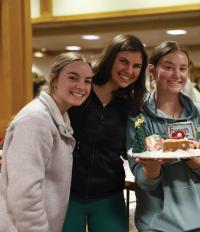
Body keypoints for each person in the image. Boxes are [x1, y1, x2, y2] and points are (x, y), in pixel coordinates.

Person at [127, 41, 200, 232]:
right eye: (168, 67)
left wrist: (190, 156)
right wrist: (151, 169)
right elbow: (143, 182)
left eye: (183, 68)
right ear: (152, 71)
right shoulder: (138, 118)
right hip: (158, 225)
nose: (177, 75)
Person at [62, 34, 148, 232]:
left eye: (136, 66)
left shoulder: (131, 106)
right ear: (111, 58)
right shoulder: (81, 90)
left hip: (109, 197)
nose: (129, 70)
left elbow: (130, 150)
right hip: (67, 195)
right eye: (124, 61)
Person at [0, 52, 93, 231]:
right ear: (54, 80)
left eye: (87, 81)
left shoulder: (58, 116)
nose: (81, 86)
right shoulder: (36, 119)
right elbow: (25, 193)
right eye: (73, 77)